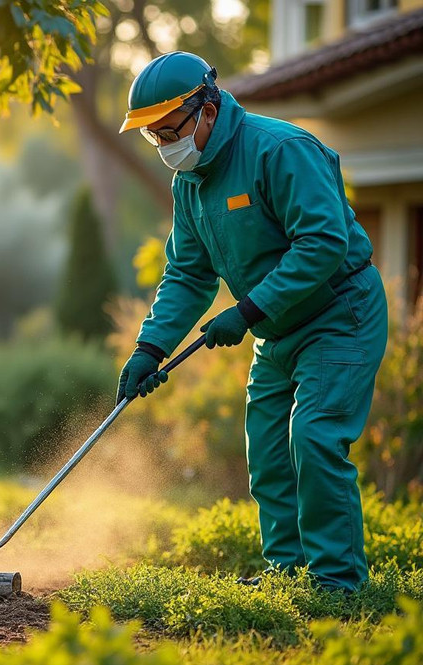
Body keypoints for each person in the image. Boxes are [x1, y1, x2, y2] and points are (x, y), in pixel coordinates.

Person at [115, 51, 388, 594]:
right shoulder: (189, 183)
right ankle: (286, 574)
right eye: (154, 136)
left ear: (208, 109)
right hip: (276, 331)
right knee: (266, 449)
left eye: (171, 129)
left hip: (339, 315)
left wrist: (247, 311)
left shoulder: (281, 150)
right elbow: (189, 275)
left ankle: (337, 584)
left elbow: (324, 243)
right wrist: (150, 347)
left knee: (311, 437)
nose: (166, 145)